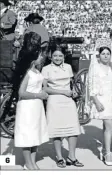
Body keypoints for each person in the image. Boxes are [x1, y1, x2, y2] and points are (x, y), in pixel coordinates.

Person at [42, 44, 84, 168]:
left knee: (73, 130)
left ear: (64, 56)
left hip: (68, 100)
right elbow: (45, 88)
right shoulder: (46, 69)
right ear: (50, 56)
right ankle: (59, 157)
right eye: (55, 56)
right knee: (57, 130)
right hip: (54, 100)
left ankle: (72, 157)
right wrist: (62, 92)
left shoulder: (68, 67)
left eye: (60, 56)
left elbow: (71, 84)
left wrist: (73, 91)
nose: (57, 58)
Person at [14, 33, 49, 171]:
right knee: (28, 135)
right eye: (40, 55)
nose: (42, 57)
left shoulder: (37, 70)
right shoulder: (27, 72)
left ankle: (32, 162)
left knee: (35, 134)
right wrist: (39, 95)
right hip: (28, 106)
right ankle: (28, 163)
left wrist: (43, 93)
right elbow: (21, 93)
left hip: (37, 106)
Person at [86, 38, 112, 166]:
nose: (106, 56)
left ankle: (105, 151)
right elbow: (91, 86)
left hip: (111, 100)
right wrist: (96, 101)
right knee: (110, 126)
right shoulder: (95, 68)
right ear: (99, 55)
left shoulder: (111, 68)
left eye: (108, 54)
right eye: (103, 54)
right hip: (101, 100)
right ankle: (107, 152)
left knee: (108, 127)